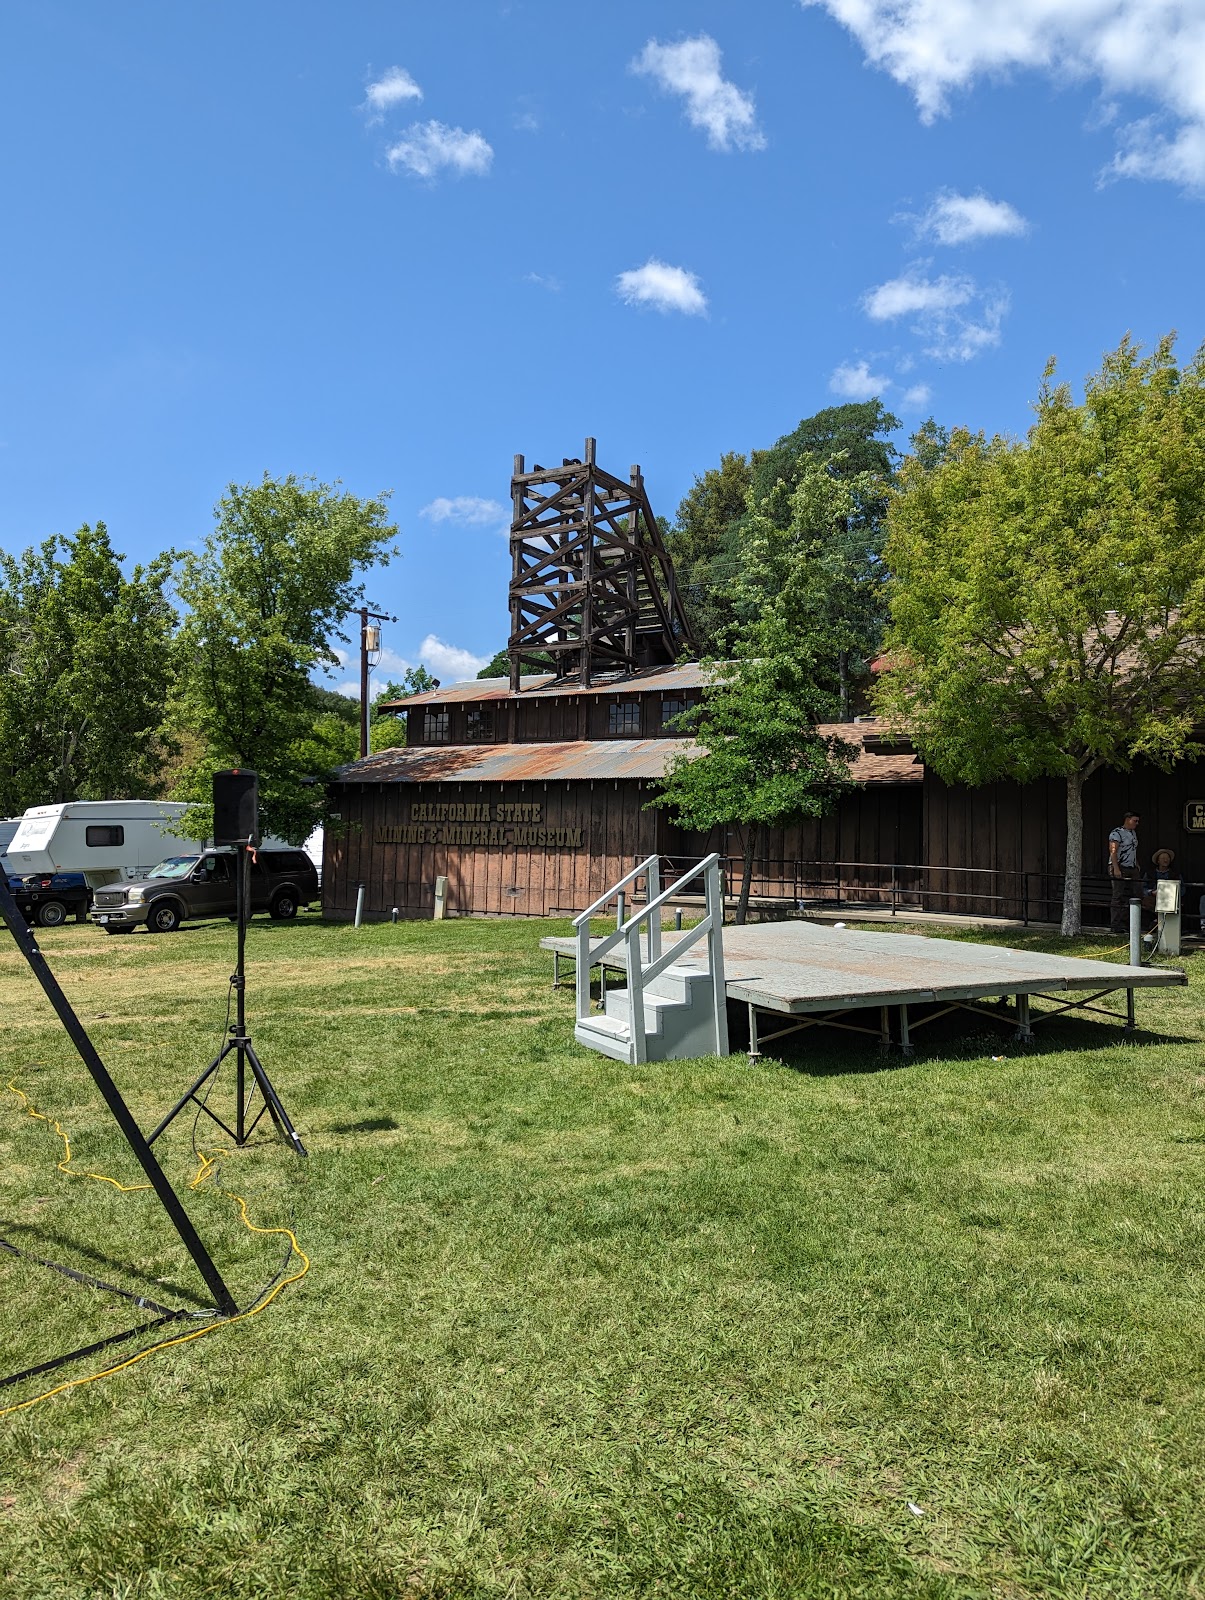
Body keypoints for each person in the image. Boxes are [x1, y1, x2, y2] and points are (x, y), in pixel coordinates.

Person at [1108, 812, 1141, 935]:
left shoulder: (1133, 833)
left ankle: (1130, 921)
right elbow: (1113, 851)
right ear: (1127, 819)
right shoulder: (1116, 833)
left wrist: (1136, 863)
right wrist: (1116, 868)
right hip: (1119, 865)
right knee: (1118, 895)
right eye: (1135, 821)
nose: (1137, 824)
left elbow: (1132, 849)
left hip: (1131, 866)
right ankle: (1115, 925)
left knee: (1137, 893)